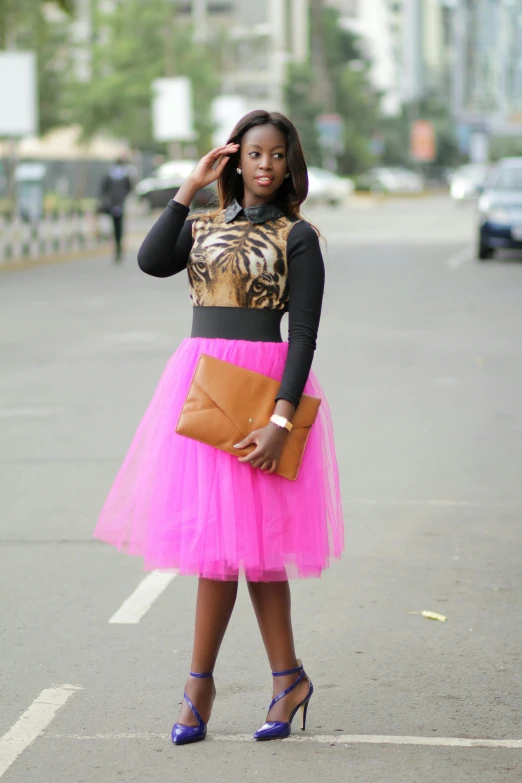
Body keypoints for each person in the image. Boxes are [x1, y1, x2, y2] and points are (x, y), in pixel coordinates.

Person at [93, 110, 344, 744]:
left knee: (256, 554)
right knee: (219, 548)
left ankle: (238, 684)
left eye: (278, 155)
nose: (266, 164)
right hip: (203, 388)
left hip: (263, 394)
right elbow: (153, 261)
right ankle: (251, 681)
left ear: (291, 164)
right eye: (254, 152)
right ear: (236, 159)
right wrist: (190, 187)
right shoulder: (205, 222)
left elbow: (305, 337)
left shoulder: (299, 236)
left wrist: (283, 421)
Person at [99, 158, 132, 261]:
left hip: (114, 205)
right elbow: (129, 189)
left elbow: (103, 190)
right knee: (118, 228)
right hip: (118, 205)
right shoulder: (124, 176)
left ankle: (117, 248)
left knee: (116, 227)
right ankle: (118, 248)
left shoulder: (110, 176)